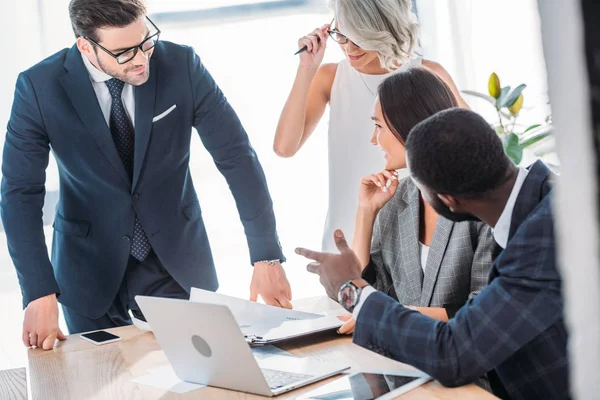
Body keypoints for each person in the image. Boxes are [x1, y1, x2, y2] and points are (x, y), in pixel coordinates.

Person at [1, 0, 292, 349]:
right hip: (87, 271)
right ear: (85, 46)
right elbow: (20, 193)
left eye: (146, 41)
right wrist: (38, 291)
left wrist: (265, 255)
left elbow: (236, 157)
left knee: (194, 379)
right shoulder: (39, 86)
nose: (141, 59)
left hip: (175, 263)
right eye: (124, 52)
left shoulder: (182, 65)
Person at [296, 108, 568, 400]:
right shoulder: (541, 202)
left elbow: (455, 353)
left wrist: (352, 291)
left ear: (448, 201)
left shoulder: (545, 233)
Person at [273, 0, 468, 252]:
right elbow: (284, 147)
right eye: (341, 35)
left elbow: (472, 147)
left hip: (418, 237)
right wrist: (307, 68)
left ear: (383, 29)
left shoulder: (428, 74)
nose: (348, 48)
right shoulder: (331, 77)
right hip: (347, 236)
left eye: (359, 39)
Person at [338, 68, 494, 335]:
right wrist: (365, 214)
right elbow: (356, 297)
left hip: (476, 365)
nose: (373, 139)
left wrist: (397, 316)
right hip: (410, 361)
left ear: (410, 126)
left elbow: (485, 310)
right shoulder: (397, 198)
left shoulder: (482, 201)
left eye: (378, 127)